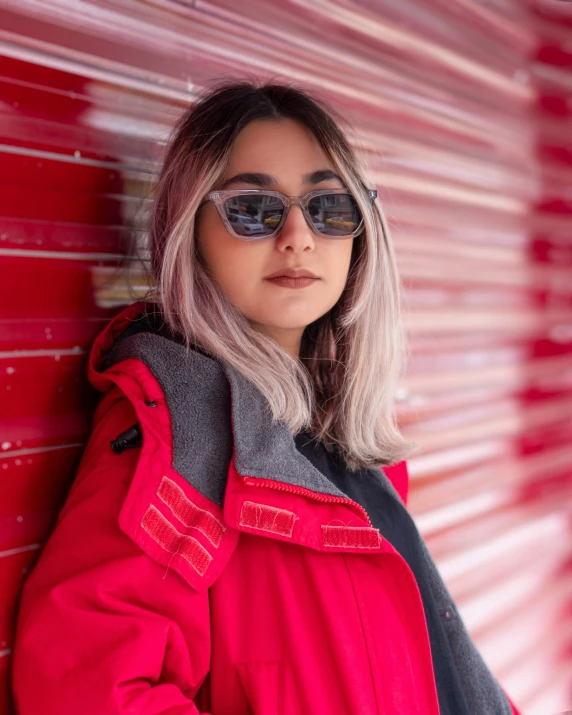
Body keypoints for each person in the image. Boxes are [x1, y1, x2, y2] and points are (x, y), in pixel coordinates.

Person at [11, 79, 521, 715]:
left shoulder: (349, 440)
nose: (299, 238)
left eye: (329, 207)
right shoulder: (180, 431)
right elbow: (87, 688)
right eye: (254, 209)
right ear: (189, 230)